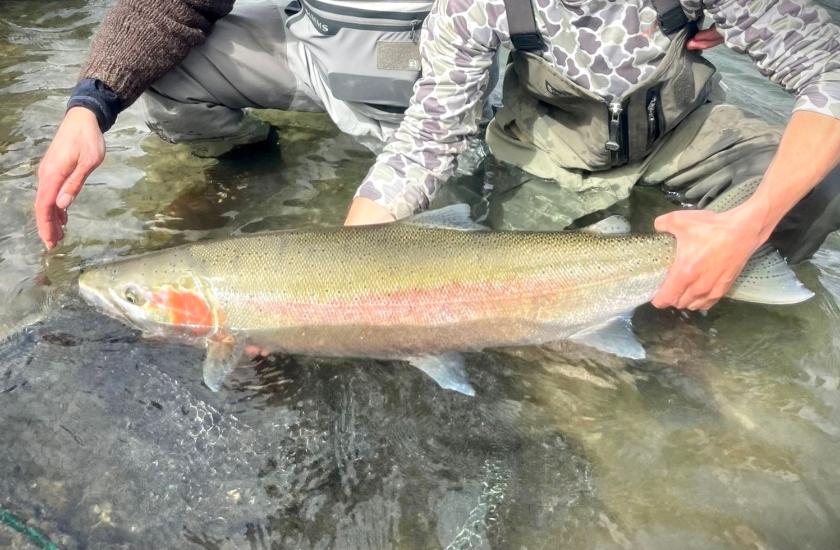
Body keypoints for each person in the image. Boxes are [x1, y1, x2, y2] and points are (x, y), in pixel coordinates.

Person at [344, 0, 840, 311]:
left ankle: (719, 282)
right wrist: (339, 269)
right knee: (542, 338)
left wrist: (747, 225)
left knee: (826, 175)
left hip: (683, 131)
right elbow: (429, 135)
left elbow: (829, 71)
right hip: (548, 152)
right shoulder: (471, 7)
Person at [35, 0, 442, 248]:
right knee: (162, 72)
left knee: (435, 241)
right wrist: (90, 104)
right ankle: (251, 157)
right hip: (317, 51)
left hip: (428, 76)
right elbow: (168, 5)